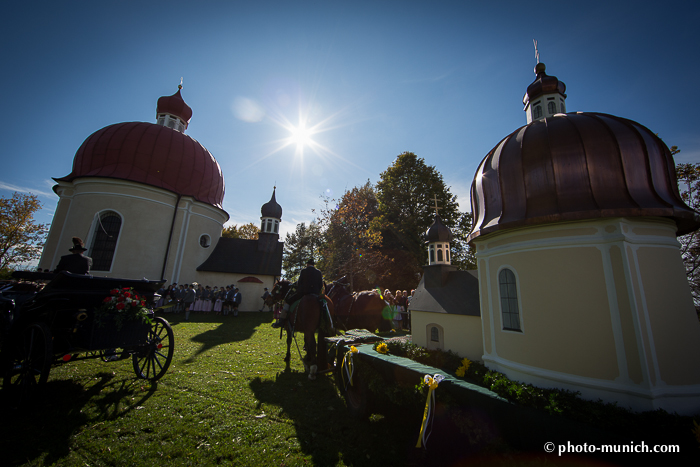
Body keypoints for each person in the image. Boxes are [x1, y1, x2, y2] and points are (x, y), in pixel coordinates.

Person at [279, 258, 323, 327]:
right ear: (313, 265)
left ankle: (282, 320)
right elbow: (321, 285)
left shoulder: (304, 271)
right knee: (324, 304)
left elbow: (299, 283)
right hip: (315, 294)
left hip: (303, 293)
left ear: (307, 264)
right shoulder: (318, 272)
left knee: (287, 301)